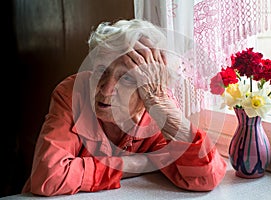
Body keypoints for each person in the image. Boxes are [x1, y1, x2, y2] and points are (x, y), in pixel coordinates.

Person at [22, 19, 227, 196]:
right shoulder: (73, 92)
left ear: (151, 86)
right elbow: (48, 177)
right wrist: (138, 164)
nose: (106, 89)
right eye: (101, 70)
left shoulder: (157, 104)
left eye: (127, 79)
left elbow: (205, 177)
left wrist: (162, 108)